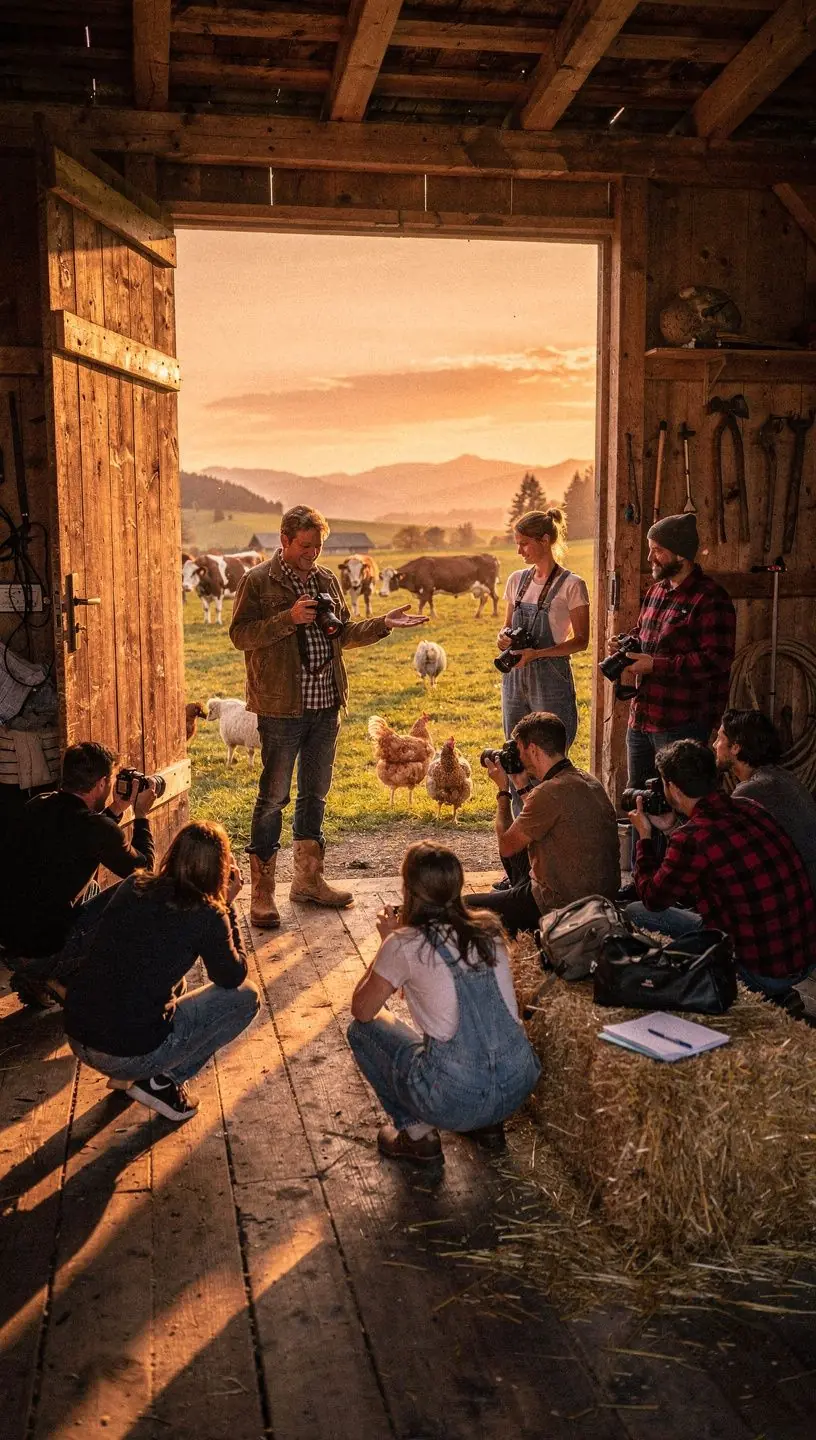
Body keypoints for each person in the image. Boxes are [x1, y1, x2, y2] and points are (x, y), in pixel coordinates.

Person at [230, 505, 427, 929]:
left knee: (314, 795)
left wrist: (383, 623)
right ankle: (261, 895)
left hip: (326, 705)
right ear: (284, 540)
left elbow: (346, 634)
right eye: (305, 546)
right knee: (273, 798)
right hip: (281, 708)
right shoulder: (258, 580)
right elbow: (240, 636)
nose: (312, 554)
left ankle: (307, 881)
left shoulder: (326, 580)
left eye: (318, 546)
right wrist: (288, 618)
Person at [347, 842, 541, 1165]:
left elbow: (361, 1009)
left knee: (361, 1031)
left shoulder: (404, 943)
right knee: (470, 1027)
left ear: (408, 890)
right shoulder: (488, 929)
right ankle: (488, 1127)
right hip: (515, 1087)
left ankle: (417, 1136)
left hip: (457, 1097)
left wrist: (386, 945)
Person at [64, 821, 259, 1123]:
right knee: (248, 997)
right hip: (125, 1051)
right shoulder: (208, 913)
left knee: (163, 978)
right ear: (220, 869)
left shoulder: (135, 884)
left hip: (77, 1034)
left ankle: (129, 1075)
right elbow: (232, 978)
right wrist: (228, 906)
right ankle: (162, 1080)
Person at [626, 739, 816, 997]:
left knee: (636, 913)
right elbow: (712, 856)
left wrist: (645, 837)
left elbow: (652, 897)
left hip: (762, 970)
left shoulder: (692, 838)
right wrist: (672, 827)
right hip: (803, 959)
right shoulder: (750, 807)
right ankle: (778, 993)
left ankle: (762, 990)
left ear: (673, 788)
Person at [0, 741, 156, 1006]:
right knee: (137, 893)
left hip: (9, 938)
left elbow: (78, 836)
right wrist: (141, 815)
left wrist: (116, 809)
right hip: (47, 944)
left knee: (88, 891)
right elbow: (145, 870)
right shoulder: (96, 828)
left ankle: (35, 970)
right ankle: (55, 972)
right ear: (102, 783)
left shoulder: (37, 804)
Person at [469, 712, 620, 937]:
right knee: (524, 853)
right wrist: (520, 784)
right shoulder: (589, 781)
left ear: (532, 750)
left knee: (461, 906)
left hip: (558, 908)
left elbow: (506, 845)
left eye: (518, 750)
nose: (517, 756)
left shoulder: (548, 792)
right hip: (600, 900)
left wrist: (503, 791)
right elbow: (542, 813)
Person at [616, 513, 736, 795]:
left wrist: (654, 665)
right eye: (649, 549)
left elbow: (715, 660)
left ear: (681, 555)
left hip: (681, 721)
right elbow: (644, 633)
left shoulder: (710, 598)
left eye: (657, 550)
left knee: (679, 800)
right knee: (637, 798)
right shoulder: (657, 591)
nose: (650, 558)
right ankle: (642, 841)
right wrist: (626, 643)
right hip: (643, 717)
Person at [499, 509, 590, 753]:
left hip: (550, 678)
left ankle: (551, 792)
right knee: (515, 749)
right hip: (514, 677)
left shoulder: (573, 585)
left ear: (545, 541)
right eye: (518, 544)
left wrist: (537, 654)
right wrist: (503, 637)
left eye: (525, 544)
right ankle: (518, 792)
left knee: (551, 751)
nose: (519, 551)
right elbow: (506, 625)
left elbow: (581, 641)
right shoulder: (516, 580)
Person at [715, 709, 816, 898]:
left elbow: (724, 846)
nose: (714, 744)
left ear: (736, 747)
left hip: (799, 889)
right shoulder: (778, 776)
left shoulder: (752, 790)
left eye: (720, 739)